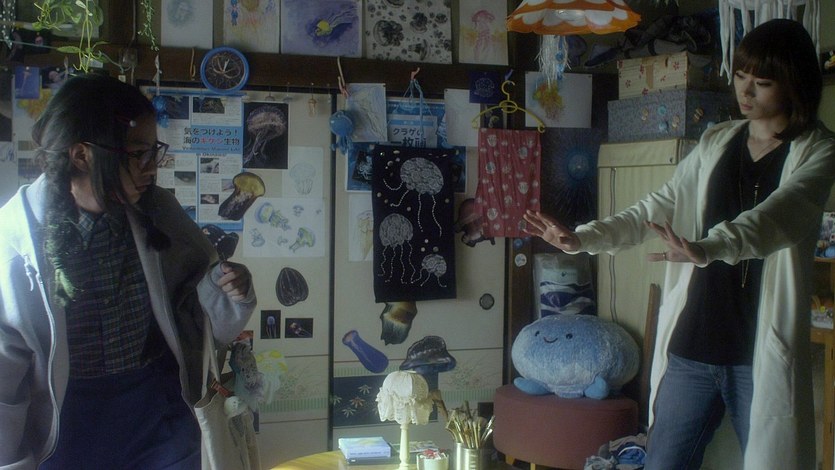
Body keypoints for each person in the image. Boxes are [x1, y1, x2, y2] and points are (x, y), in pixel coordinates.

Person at [524, 19, 835, 470]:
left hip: (757, 352)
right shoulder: (717, 140)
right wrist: (582, 237)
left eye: (762, 83)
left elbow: (781, 216)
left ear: (794, 84)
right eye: (740, 77)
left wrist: (710, 247)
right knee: (664, 461)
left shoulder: (817, 149)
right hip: (694, 344)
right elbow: (657, 207)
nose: (745, 92)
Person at [0, 74, 257, 469]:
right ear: (81, 155)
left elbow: (199, 313)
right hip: (67, 427)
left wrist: (228, 290)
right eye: (138, 153)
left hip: (158, 416)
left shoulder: (159, 211)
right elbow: (5, 378)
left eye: (154, 151)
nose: (152, 168)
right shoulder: (17, 242)